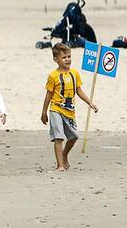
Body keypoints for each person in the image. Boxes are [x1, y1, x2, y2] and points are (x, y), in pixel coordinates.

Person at [41, 43, 97, 171]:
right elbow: (48, 95)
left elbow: (79, 91)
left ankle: (64, 154)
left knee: (74, 137)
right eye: (64, 57)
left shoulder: (75, 73)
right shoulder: (53, 76)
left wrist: (90, 102)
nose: (67, 59)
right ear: (56, 59)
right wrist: (44, 112)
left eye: (69, 56)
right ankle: (60, 165)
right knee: (59, 137)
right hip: (56, 109)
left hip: (69, 111)